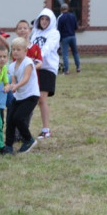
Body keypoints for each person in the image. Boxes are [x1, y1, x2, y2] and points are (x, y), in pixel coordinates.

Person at [2, 37, 40, 154]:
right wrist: (10, 87)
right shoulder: (12, 66)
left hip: (31, 95)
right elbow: (13, 81)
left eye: (18, 49)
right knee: (10, 120)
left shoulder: (28, 62)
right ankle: (8, 146)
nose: (15, 52)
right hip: (18, 97)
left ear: (25, 51)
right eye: (13, 49)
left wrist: (16, 86)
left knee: (18, 118)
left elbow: (26, 78)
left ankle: (29, 140)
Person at [30, 8, 60, 139]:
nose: (44, 21)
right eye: (42, 19)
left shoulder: (54, 33)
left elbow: (48, 47)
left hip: (47, 68)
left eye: (47, 19)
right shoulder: (35, 32)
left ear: (51, 20)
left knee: (42, 98)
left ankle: (46, 129)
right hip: (35, 67)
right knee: (31, 98)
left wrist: (39, 57)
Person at [57, 3, 81, 75]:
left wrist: (59, 39)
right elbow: (76, 27)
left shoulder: (60, 18)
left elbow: (59, 30)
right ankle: (78, 67)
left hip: (64, 38)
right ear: (68, 8)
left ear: (61, 10)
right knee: (75, 52)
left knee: (65, 54)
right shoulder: (72, 16)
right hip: (72, 36)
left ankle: (66, 70)